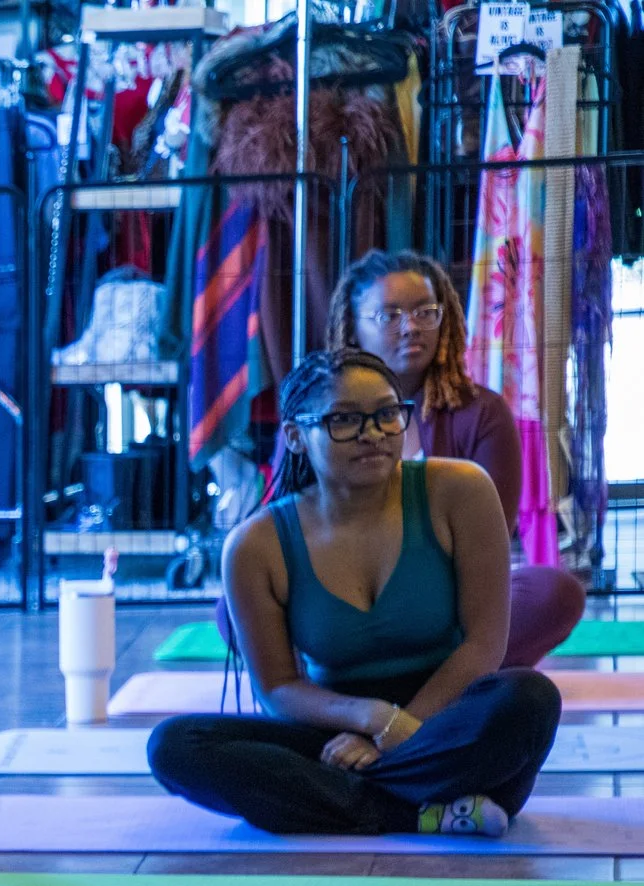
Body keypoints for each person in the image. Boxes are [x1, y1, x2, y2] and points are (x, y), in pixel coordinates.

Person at [152, 349, 560, 837]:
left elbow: (483, 647)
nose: (373, 433)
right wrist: (371, 718)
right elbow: (279, 689)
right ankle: (423, 812)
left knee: (529, 698)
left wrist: (396, 734)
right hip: (336, 736)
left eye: (388, 415)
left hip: (450, 729)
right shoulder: (255, 545)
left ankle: (350, 804)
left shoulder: (460, 490)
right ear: (295, 436)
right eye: (344, 420)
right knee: (176, 746)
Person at [328, 249, 583, 664]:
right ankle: (435, 681)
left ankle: (422, 680)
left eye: (426, 312)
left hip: (445, 598)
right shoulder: (322, 413)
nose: (411, 327)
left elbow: (490, 541)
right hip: (344, 594)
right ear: (352, 330)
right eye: (389, 316)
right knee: (238, 606)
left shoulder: (482, 413)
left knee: (555, 592)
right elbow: (284, 526)